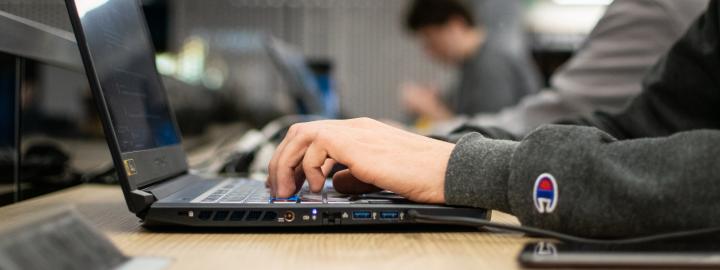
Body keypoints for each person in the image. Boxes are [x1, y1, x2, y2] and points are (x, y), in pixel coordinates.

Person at [266, 0, 720, 238]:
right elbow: (639, 125)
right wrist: (433, 150)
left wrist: (458, 164)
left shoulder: (490, 61)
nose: (427, 51)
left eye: (428, 39)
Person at [434, 0, 708, 136]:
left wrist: (429, 139)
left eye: (429, 40)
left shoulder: (661, 8)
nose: (430, 51)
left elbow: (562, 115)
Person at [401, 0, 540, 125]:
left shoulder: (491, 65)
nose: (430, 52)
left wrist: (432, 110)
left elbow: (489, 138)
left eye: (432, 41)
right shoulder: (474, 62)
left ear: (456, 25)